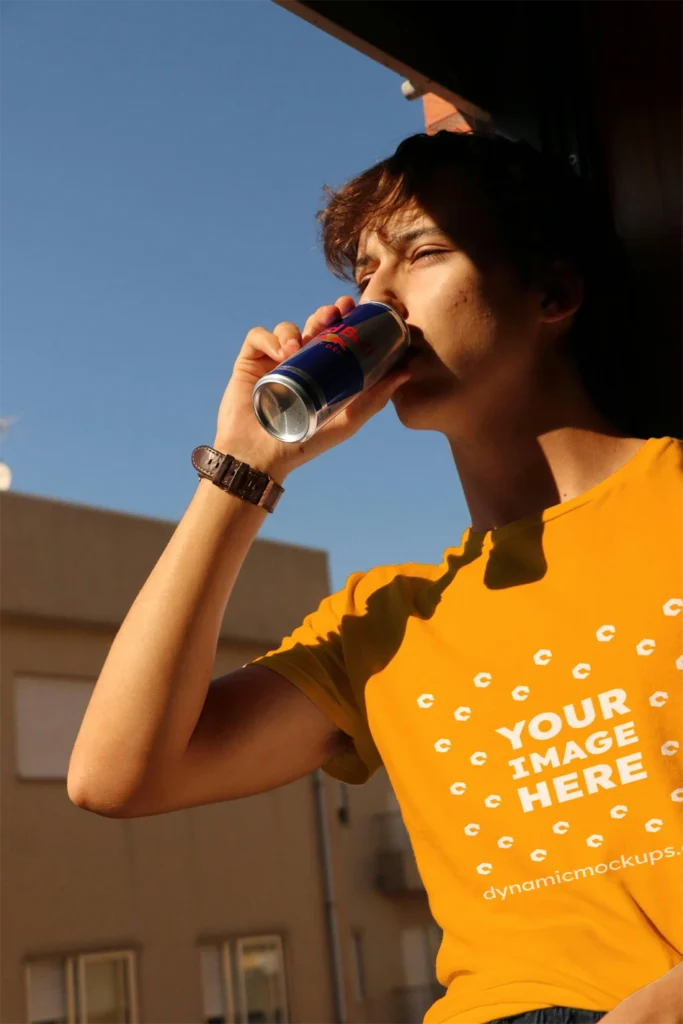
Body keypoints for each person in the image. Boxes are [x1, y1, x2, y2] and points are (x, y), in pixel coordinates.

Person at [68, 131, 683, 1024]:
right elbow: (115, 777)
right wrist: (248, 467)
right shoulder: (386, 619)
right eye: (362, 273)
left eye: (422, 253)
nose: (376, 299)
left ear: (551, 292)